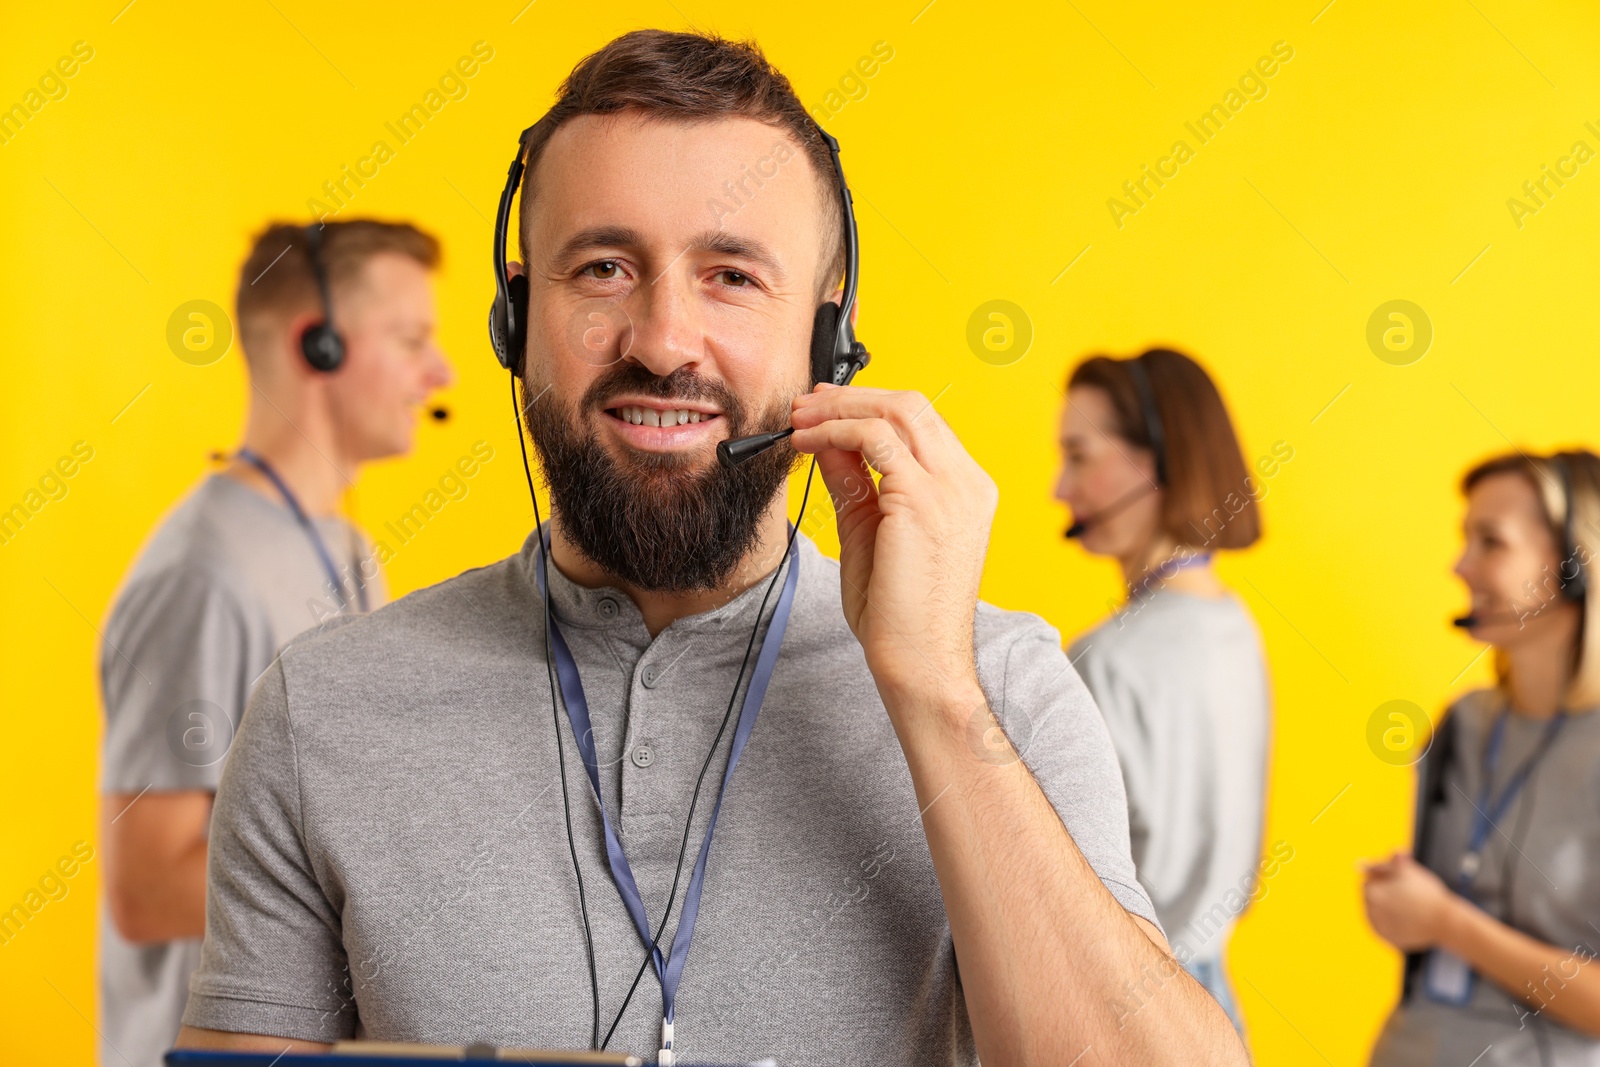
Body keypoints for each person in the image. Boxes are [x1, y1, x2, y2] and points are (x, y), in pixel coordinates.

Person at [174, 29, 1248, 1067]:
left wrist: (933, 694)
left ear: (829, 336)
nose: (662, 339)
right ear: (515, 315)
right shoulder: (323, 707)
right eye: (601, 267)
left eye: (732, 274)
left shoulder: (1001, 688)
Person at [98, 219, 453, 1067]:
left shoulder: (343, 547)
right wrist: (405, 872)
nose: (440, 373)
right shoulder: (204, 576)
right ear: (318, 345)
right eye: (410, 341)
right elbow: (145, 889)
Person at [1054, 349, 1275, 1031]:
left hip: (1127, 1015)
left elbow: (1062, 894)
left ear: (1155, 461)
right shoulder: (1236, 626)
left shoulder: (1105, 660)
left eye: (1079, 455)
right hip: (1213, 1011)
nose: (1060, 487)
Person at [1365, 449, 1600, 1067]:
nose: (1459, 565)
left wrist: (1446, 923)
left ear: (1575, 564)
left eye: (1490, 542)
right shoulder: (1463, 724)